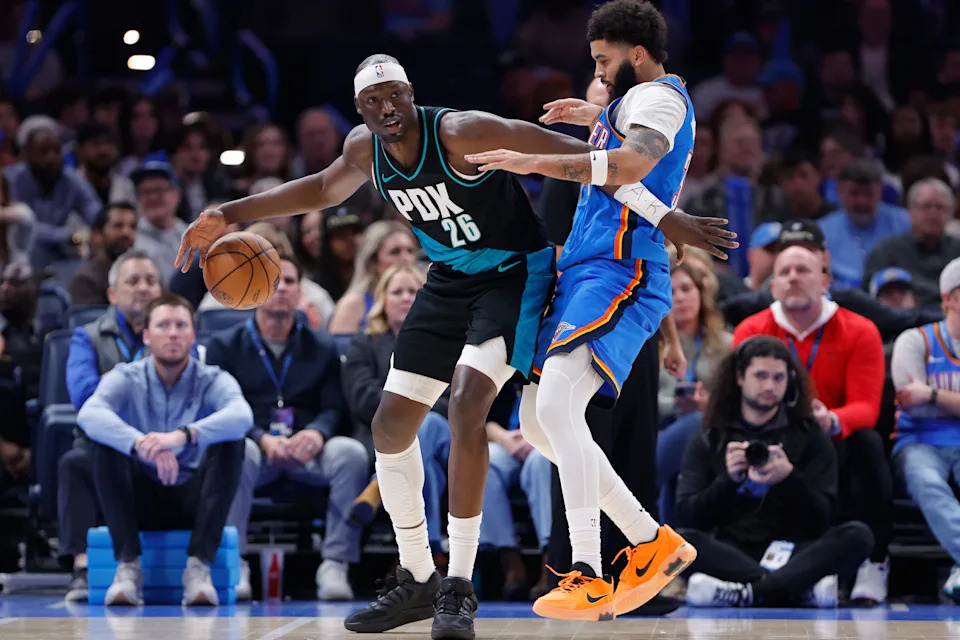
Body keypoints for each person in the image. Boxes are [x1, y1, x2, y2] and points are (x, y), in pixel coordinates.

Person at [176, 48, 730, 638]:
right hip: (447, 279)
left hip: (514, 274)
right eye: (373, 102)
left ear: (411, 93)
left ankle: (459, 586)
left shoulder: (463, 131)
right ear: (360, 111)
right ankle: (417, 578)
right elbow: (319, 189)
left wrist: (664, 215)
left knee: (469, 405)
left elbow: (595, 158)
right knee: (390, 427)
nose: (387, 108)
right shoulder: (365, 152)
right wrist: (226, 213)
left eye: (395, 95)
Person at [463, 0, 736, 621]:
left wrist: (537, 161)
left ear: (635, 53)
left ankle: (586, 570)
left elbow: (632, 164)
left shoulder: (661, 99)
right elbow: (627, 162)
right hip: (588, 266)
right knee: (537, 423)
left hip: (621, 267)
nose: (600, 68)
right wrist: (595, 117)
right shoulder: (631, 105)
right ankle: (649, 539)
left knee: (559, 406)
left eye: (603, 59)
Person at [733, 246, 893, 604]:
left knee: (869, 443)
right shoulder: (751, 329)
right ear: (772, 286)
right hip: (772, 434)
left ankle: (874, 561)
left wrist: (830, 419)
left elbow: (867, 408)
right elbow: (738, 402)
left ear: (825, 281)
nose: (793, 277)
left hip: (834, 432)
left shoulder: (860, 329)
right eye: (785, 271)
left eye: (803, 270)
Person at [207, 255, 368, 601]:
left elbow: (334, 406)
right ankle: (236, 564)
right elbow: (221, 408)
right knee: (236, 448)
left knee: (351, 453)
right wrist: (260, 437)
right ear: (254, 289)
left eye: (290, 282)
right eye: (273, 281)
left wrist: (317, 433)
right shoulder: (224, 346)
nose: (281, 289)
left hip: (306, 449)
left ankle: (335, 563)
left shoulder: (323, 346)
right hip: (257, 450)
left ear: (300, 293)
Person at [76, 294, 251, 606]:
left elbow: (242, 415)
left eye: (181, 325)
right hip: (140, 497)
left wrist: (182, 436)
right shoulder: (126, 375)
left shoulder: (212, 378)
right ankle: (127, 568)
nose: (173, 333)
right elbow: (89, 414)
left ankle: (198, 568)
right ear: (147, 335)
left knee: (233, 440)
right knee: (105, 443)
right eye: (163, 325)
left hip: (193, 498)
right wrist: (140, 443)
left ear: (193, 335)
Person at [677, 336, 873, 607]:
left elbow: (824, 518)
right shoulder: (712, 436)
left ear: (789, 380)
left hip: (794, 549)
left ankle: (748, 593)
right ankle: (795, 589)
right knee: (678, 542)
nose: (769, 385)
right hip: (731, 550)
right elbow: (688, 515)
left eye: (778, 378)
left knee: (858, 535)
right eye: (760, 376)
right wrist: (727, 482)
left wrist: (789, 479)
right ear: (739, 377)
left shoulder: (809, 434)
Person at [60, 250, 162, 602]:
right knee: (75, 461)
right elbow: (85, 396)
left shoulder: (173, 333)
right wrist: (144, 385)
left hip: (156, 443)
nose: (144, 288)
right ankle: (82, 567)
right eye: (133, 281)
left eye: (151, 281)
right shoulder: (87, 336)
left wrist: (115, 384)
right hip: (104, 444)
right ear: (112, 294)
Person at [891, 257, 960, 602]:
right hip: (919, 440)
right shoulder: (915, 340)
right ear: (948, 298)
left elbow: (923, 396)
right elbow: (910, 401)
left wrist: (933, 394)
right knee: (929, 483)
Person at [657, 260, 732, 525]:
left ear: (701, 294)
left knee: (697, 424)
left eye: (686, 289)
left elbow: (736, 398)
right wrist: (677, 406)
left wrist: (707, 404)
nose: (679, 298)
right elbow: (638, 404)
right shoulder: (645, 346)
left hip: (713, 432)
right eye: (671, 290)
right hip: (661, 431)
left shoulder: (726, 345)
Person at [863, 178, 960, 306]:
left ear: (950, 213)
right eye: (926, 206)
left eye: (940, 207)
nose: (933, 213)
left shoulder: (957, 250)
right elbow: (870, 292)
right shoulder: (888, 250)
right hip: (900, 322)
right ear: (910, 211)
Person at [817, 159, 910, 289]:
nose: (862, 201)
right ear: (840, 190)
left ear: (880, 190)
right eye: (854, 193)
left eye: (868, 193)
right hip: (842, 299)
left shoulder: (906, 223)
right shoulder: (822, 231)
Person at [328, 220, 418, 333]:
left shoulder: (427, 297)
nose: (406, 259)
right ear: (373, 261)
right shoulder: (353, 304)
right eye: (395, 252)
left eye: (410, 251)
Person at [67, 203, 138, 306]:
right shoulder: (85, 280)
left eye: (133, 227)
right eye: (118, 226)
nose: (127, 232)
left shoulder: (143, 276)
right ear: (98, 235)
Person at [132, 162, 187, 288]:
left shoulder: (191, 234)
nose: (153, 197)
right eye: (146, 192)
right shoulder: (131, 239)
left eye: (159, 190)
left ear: (176, 196)